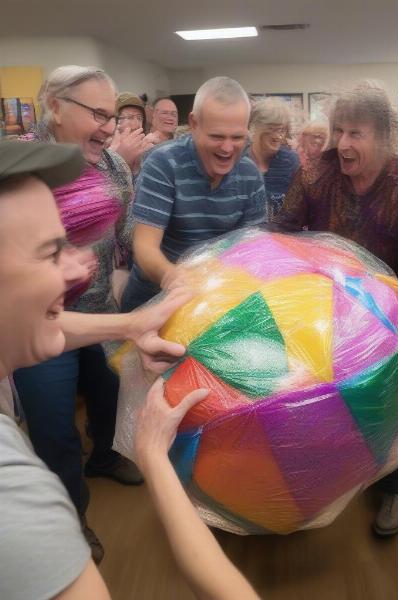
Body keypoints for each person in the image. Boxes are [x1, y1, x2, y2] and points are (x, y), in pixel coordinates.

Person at [0, 140, 258, 600]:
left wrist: (131, 323)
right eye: (49, 253)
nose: (78, 269)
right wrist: (154, 456)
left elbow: (48, 322)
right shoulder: (11, 493)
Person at [274, 80, 398, 537]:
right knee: (328, 403)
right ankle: (326, 481)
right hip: (323, 315)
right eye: (339, 131)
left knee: (392, 406)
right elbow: (283, 232)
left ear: (384, 136)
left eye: (356, 134)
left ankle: (394, 484)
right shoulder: (316, 173)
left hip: (389, 320)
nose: (343, 144)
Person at [12, 65, 140, 562]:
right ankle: (73, 519)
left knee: (111, 394)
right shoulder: (19, 164)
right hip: (40, 322)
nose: (109, 127)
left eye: (113, 116)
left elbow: (127, 237)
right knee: (53, 427)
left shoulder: (114, 167)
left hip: (102, 311)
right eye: (99, 115)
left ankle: (105, 457)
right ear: (56, 105)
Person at [120, 76, 266, 312]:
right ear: (194, 123)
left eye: (238, 137)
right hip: (152, 302)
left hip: (214, 305)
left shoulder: (250, 175)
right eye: (217, 136)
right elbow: (145, 247)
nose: (228, 148)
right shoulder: (164, 163)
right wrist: (176, 279)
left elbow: (251, 251)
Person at [245, 96, 300, 219]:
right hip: (246, 235)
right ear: (254, 127)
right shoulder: (239, 163)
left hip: (283, 235)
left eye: (282, 130)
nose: (279, 137)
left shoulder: (291, 161)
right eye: (272, 129)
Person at [109, 92, 160, 177]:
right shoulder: (103, 154)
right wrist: (120, 160)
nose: (136, 125)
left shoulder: (146, 149)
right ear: (116, 122)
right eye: (130, 117)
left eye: (139, 118)